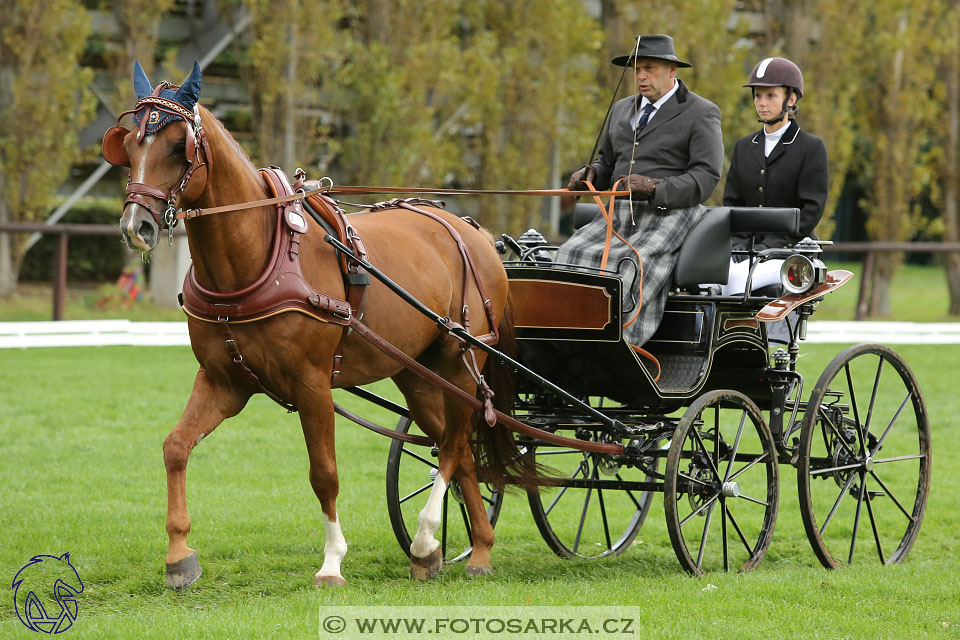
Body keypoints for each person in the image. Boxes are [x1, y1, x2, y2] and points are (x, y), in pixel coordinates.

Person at [559, 34, 723, 347]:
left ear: (672, 70)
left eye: (649, 68)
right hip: (620, 213)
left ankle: (619, 343)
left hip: (671, 213)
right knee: (569, 254)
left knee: (629, 266)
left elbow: (706, 177)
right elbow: (607, 161)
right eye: (637, 69)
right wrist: (591, 173)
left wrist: (655, 187)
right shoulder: (622, 110)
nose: (641, 76)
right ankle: (569, 336)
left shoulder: (701, 112)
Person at [722, 56, 829, 296]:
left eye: (770, 95)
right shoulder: (743, 146)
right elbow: (733, 203)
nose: (761, 103)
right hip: (745, 250)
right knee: (709, 280)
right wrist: (738, 243)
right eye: (758, 95)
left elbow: (810, 210)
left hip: (789, 250)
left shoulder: (810, 147)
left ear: (790, 99)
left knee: (740, 283)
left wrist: (772, 244)